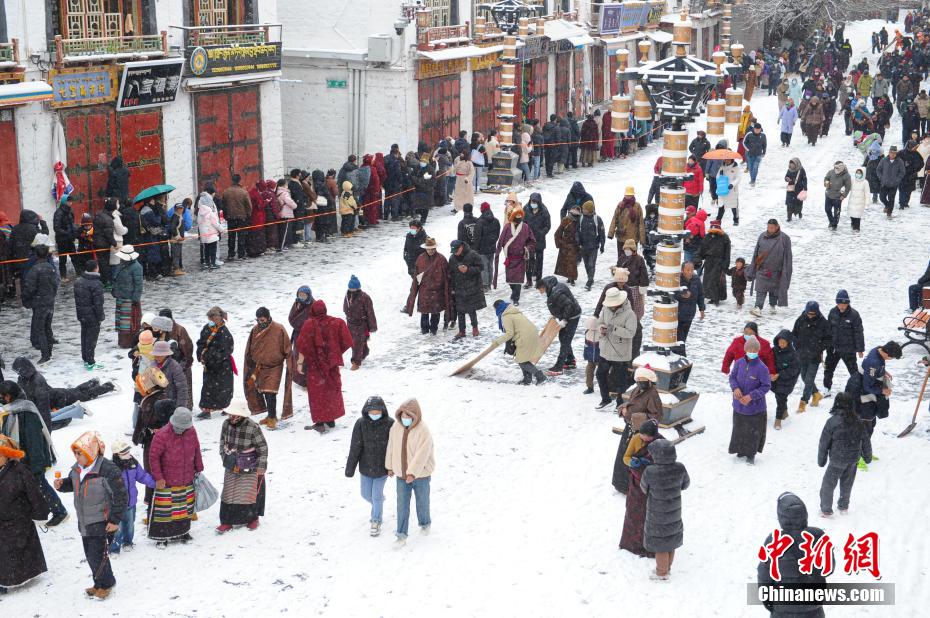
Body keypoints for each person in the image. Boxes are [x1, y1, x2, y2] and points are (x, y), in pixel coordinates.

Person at [54, 431, 128, 600]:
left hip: (102, 520)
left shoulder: (107, 470)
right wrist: (62, 484)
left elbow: (121, 496)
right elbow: (75, 484)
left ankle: (107, 584)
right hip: (84, 520)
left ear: (90, 451)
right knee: (90, 554)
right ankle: (98, 583)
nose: (76, 456)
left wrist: (115, 520)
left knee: (99, 555)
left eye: (79, 453)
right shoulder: (77, 469)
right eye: (75, 453)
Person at [757, 492, 828, 617]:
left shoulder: (773, 541)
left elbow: (764, 576)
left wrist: (767, 600)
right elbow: (828, 567)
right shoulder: (817, 537)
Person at [0, 433, 49, 594]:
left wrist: (40, 513)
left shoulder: (20, 471)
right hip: (3, 519)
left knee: (14, 551)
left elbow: (34, 494)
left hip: (19, 519)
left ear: (7, 455)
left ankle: (7, 581)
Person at [296, 300, 353, 433]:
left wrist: (300, 363)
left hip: (315, 367)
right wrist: (335, 353)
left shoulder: (309, 324)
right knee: (330, 391)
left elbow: (302, 346)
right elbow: (347, 340)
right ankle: (330, 419)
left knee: (317, 395)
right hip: (331, 365)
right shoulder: (336, 323)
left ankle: (320, 422)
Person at [147, 407, 201, 546]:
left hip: (186, 477)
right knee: (164, 511)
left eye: (184, 427)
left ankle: (183, 532)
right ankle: (162, 537)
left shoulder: (191, 431)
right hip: (167, 480)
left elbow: (196, 449)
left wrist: (199, 467)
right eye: (179, 427)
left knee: (184, 508)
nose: (181, 430)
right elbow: (153, 458)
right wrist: (158, 477)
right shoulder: (161, 435)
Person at [385, 398, 434, 546]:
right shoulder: (395, 427)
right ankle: (401, 535)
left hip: (421, 475)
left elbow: (422, 454)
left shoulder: (423, 430)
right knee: (402, 505)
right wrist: (390, 466)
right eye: (403, 415)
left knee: (422, 501)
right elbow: (391, 446)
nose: (405, 418)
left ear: (415, 416)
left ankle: (425, 523)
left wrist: (412, 473)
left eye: (408, 416)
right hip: (401, 475)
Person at [640, 439, 690, 581]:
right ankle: (667, 568)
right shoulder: (680, 468)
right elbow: (685, 484)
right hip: (674, 511)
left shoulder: (650, 471)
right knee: (670, 540)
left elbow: (644, 488)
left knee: (660, 544)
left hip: (656, 513)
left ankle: (662, 573)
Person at [345, 396, 393, 537]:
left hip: (382, 468)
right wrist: (350, 468)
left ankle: (376, 520)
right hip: (366, 467)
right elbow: (355, 447)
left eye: (377, 412)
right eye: (371, 412)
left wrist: (392, 466)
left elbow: (394, 448)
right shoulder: (360, 424)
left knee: (376, 496)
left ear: (383, 411)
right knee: (365, 494)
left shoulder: (390, 424)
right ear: (366, 411)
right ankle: (379, 503)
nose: (374, 415)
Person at [818, 392, 871, 517]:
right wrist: (867, 457)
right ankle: (843, 506)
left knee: (828, 484)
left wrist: (821, 460)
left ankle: (826, 510)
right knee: (847, 484)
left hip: (837, 459)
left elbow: (824, 442)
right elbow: (866, 440)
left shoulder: (832, 422)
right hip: (853, 459)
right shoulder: (858, 421)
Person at [217, 408, 268, 533]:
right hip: (231, 464)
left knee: (247, 494)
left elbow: (262, 447)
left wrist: (261, 466)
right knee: (228, 493)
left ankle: (252, 518)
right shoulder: (226, 424)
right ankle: (227, 521)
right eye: (230, 413)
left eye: (234, 413)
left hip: (249, 464)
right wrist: (225, 457)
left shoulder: (253, 427)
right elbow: (222, 442)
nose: (231, 416)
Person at [612, 365, 662, 494]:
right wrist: (624, 409)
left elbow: (656, 416)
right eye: (638, 379)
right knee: (625, 456)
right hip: (629, 429)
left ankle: (633, 488)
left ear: (649, 381)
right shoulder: (637, 389)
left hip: (642, 433)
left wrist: (635, 417)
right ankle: (621, 484)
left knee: (635, 460)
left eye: (642, 380)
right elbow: (631, 403)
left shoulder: (653, 394)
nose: (640, 382)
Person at [243, 307, 292, 430]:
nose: (260, 322)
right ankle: (271, 415)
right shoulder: (255, 329)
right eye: (258, 320)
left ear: (268, 317)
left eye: (262, 320)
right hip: (260, 367)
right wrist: (250, 362)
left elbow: (287, 348)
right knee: (264, 391)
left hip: (274, 366)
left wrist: (290, 363)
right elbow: (250, 346)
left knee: (271, 392)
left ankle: (272, 418)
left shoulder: (279, 329)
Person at [619, 418, 660, 556]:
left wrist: (650, 464)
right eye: (642, 435)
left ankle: (649, 544)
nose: (643, 438)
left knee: (649, 514)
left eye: (646, 437)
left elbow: (664, 463)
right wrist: (631, 462)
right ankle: (631, 544)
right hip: (636, 483)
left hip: (652, 485)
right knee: (634, 513)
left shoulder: (660, 442)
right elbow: (626, 457)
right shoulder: (636, 438)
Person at [728, 336, 771, 464]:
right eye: (749, 349)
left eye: (754, 350)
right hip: (739, 405)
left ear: (758, 351)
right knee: (739, 429)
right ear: (745, 349)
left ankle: (751, 454)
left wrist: (751, 396)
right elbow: (732, 377)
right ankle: (740, 450)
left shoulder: (762, 368)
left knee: (753, 433)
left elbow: (766, 386)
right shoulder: (739, 363)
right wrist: (735, 388)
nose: (752, 351)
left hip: (755, 408)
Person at [108, 438, 155, 553]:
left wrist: (155, 483)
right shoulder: (111, 468)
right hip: (116, 505)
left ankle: (128, 542)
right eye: (124, 453)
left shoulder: (133, 463)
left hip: (131, 502)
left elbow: (142, 476)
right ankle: (114, 548)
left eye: (128, 451)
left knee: (129, 525)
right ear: (116, 454)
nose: (128, 454)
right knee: (117, 527)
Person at [595, 288, 637, 409]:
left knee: (620, 380)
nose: (611, 306)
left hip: (620, 353)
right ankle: (605, 399)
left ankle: (620, 403)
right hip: (605, 350)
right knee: (600, 374)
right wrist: (601, 328)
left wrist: (613, 329)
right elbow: (599, 322)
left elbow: (630, 333)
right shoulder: (605, 309)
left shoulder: (630, 314)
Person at [492, 299, 546, 385]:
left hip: (525, 337)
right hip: (531, 333)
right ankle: (527, 379)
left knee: (522, 361)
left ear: (497, 308)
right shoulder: (513, 311)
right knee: (521, 358)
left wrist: (497, 342)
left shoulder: (506, 316)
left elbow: (509, 333)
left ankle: (540, 376)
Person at [791, 301, 832, 413]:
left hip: (815, 356)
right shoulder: (800, 319)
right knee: (804, 376)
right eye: (808, 313)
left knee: (809, 379)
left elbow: (828, 339)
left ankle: (803, 401)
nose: (810, 316)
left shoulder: (823, 323)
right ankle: (816, 394)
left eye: (813, 314)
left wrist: (819, 348)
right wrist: (797, 346)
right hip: (802, 354)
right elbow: (794, 334)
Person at [21, 243, 58, 365]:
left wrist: (25, 300)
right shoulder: (50, 267)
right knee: (47, 327)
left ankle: (45, 355)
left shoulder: (34, 270)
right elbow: (55, 284)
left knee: (40, 329)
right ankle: (49, 351)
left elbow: (29, 288)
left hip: (39, 303)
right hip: (49, 301)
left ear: (36, 255)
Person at [746, 219, 792, 317]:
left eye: (772, 227)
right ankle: (758, 307)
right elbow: (756, 252)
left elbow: (788, 256)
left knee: (773, 290)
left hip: (776, 270)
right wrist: (753, 266)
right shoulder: (762, 236)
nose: (770, 229)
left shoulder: (784, 238)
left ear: (777, 227)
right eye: (768, 227)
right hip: (762, 269)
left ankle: (772, 305)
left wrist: (786, 270)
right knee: (760, 289)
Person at [537, 276, 582, 374]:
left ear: (543, 287)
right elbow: (559, 304)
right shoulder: (552, 288)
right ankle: (570, 361)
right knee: (563, 338)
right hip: (568, 315)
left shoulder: (556, 293)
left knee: (565, 340)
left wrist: (565, 319)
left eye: (540, 290)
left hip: (572, 316)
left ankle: (559, 367)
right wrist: (555, 315)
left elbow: (569, 305)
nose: (540, 292)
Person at [405, 237, 451, 335]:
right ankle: (424, 330)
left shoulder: (441, 259)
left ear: (435, 248)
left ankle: (434, 330)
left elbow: (447, 276)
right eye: (428, 249)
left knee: (435, 312)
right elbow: (416, 276)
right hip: (424, 290)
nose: (430, 251)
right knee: (424, 312)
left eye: (432, 249)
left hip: (437, 290)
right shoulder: (420, 259)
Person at [195, 306, 234, 419]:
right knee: (208, 387)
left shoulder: (225, 332)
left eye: (214, 318)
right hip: (209, 365)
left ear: (220, 318)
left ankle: (226, 407)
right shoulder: (206, 328)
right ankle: (206, 410)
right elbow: (201, 343)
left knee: (224, 387)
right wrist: (201, 355)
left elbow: (227, 349)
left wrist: (214, 358)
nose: (212, 320)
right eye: (211, 318)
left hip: (222, 365)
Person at [824, 290, 864, 396]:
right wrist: (825, 345)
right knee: (828, 369)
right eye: (839, 304)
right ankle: (826, 389)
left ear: (847, 303)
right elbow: (828, 330)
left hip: (848, 349)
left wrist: (860, 349)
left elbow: (858, 332)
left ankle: (858, 390)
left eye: (844, 304)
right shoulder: (832, 312)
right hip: (833, 348)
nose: (842, 306)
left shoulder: (854, 315)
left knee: (853, 372)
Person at [448, 240, 485, 340]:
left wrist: (468, 270)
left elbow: (481, 267)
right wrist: (452, 287)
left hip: (472, 286)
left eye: (456, 251)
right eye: (453, 251)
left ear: (461, 247)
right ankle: (462, 331)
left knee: (471, 309)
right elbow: (451, 273)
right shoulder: (452, 258)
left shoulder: (473, 254)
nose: (455, 253)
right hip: (459, 287)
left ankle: (475, 328)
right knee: (460, 310)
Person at [73, 258, 105, 370]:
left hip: (82, 315)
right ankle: (90, 362)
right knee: (91, 339)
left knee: (84, 336)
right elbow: (98, 304)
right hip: (92, 316)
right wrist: (100, 317)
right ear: (96, 268)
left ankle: (85, 358)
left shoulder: (78, 281)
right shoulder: (96, 284)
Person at [343, 275, 378, 365]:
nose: (352, 290)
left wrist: (372, 326)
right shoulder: (347, 296)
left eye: (353, 288)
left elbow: (370, 312)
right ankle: (364, 351)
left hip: (361, 324)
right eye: (350, 288)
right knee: (355, 341)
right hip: (350, 323)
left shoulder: (365, 297)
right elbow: (345, 308)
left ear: (358, 288)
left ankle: (355, 362)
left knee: (356, 343)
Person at [771, 330, 801, 430]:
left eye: (784, 342)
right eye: (780, 342)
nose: (781, 344)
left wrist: (780, 374)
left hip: (788, 380)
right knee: (779, 397)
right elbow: (769, 361)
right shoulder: (774, 350)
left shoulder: (793, 354)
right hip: (775, 379)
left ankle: (778, 419)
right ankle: (785, 412)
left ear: (788, 342)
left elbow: (794, 370)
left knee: (781, 397)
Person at [695, 220, 730, 305]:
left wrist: (725, 264)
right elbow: (702, 249)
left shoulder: (725, 237)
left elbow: (727, 252)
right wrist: (698, 259)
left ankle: (717, 297)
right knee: (709, 280)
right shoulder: (708, 237)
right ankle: (711, 297)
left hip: (719, 262)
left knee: (718, 281)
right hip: (709, 261)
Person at [607, 187, 645, 261]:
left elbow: (641, 223)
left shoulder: (637, 206)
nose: (628, 196)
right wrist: (610, 233)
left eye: (629, 195)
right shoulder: (620, 205)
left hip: (633, 239)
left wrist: (642, 239)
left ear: (633, 195)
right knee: (621, 258)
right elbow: (614, 219)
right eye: (627, 195)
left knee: (632, 259)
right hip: (621, 237)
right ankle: (621, 268)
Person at [674, 262, 705, 353]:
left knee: (683, 338)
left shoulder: (696, 279)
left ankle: (678, 354)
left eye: (692, 270)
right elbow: (672, 295)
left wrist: (702, 309)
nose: (690, 272)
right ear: (682, 270)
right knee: (680, 340)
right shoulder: (677, 280)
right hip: (678, 315)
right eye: (688, 270)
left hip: (690, 314)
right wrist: (681, 295)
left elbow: (700, 295)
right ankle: (681, 356)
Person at [523, 194, 551, 289]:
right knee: (528, 260)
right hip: (528, 239)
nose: (533, 203)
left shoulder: (544, 211)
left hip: (539, 239)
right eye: (532, 201)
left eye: (535, 202)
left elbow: (548, 225)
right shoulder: (526, 209)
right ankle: (529, 280)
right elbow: (522, 222)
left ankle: (539, 280)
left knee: (539, 260)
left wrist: (541, 233)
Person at [577, 201, 605, 291]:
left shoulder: (597, 219)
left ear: (589, 210)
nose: (583, 210)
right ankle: (590, 277)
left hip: (594, 247)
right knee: (586, 264)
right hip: (583, 246)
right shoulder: (580, 218)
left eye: (584, 209)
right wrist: (578, 241)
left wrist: (602, 245)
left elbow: (602, 233)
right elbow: (577, 231)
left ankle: (589, 281)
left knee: (591, 264)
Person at [473, 203, 499, 291]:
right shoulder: (496, 221)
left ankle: (485, 285)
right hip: (492, 248)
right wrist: (492, 243)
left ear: (482, 210)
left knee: (483, 267)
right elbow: (497, 235)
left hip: (482, 249)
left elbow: (477, 237)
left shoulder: (479, 222)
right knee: (490, 266)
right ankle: (489, 283)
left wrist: (476, 248)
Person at [197, 185, 223, 268]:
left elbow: (199, 223)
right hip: (212, 235)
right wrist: (222, 230)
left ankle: (207, 263)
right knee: (213, 250)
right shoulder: (210, 213)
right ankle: (213, 263)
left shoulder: (200, 212)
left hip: (204, 235)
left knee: (206, 250)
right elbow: (215, 223)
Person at [553, 205, 580, 285]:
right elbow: (558, 233)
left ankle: (571, 278)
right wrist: (559, 243)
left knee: (572, 262)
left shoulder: (580, 220)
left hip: (574, 245)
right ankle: (570, 277)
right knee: (566, 262)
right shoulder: (566, 220)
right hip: (565, 244)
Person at [876, 146, 906, 217]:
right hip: (884, 183)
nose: (893, 154)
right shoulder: (884, 160)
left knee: (891, 199)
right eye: (891, 153)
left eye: (894, 153)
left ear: (896, 154)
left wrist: (897, 180)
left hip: (894, 184)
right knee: (882, 197)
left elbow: (902, 172)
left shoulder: (899, 161)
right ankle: (887, 205)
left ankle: (889, 212)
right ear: (889, 153)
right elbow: (878, 170)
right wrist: (881, 178)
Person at [52, 194, 77, 280]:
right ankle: (63, 277)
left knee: (74, 257)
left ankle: (79, 273)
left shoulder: (70, 211)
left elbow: (72, 223)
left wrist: (73, 232)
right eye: (68, 201)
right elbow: (56, 228)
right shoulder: (58, 213)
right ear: (64, 202)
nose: (70, 203)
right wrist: (67, 233)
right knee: (63, 259)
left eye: (71, 201)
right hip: (62, 240)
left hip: (70, 239)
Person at [716, 159, 741, 225]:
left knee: (734, 206)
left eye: (728, 159)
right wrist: (720, 175)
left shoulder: (736, 168)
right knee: (721, 206)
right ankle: (718, 220)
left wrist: (732, 184)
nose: (726, 161)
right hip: (723, 189)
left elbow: (738, 178)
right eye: (725, 159)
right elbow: (717, 177)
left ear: (731, 159)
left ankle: (736, 219)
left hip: (732, 191)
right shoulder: (722, 167)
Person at [847, 167, 869, 231]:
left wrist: (867, 203)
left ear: (863, 174)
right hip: (852, 202)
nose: (858, 174)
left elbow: (867, 193)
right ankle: (853, 228)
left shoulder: (865, 182)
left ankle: (857, 230)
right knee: (852, 216)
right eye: (857, 173)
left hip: (860, 203)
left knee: (857, 218)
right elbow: (848, 188)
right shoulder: (853, 181)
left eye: (859, 173)